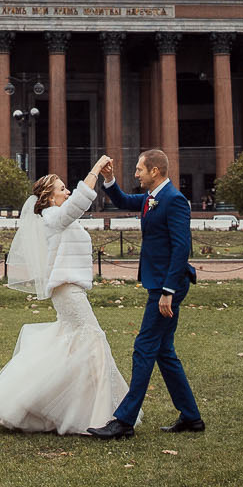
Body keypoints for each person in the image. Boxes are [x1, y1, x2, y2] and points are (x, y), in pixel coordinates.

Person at [0, 157, 126, 435]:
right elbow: (80, 202)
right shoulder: (52, 217)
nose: (67, 191)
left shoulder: (58, 219)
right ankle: (97, 415)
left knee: (74, 346)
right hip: (67, 290)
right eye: (62, 188)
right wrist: (94, 171)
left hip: (71, 289)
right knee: (92, 340)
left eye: (67, 188)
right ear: (50, 197)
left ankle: (72, 408)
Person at [88, 149, 202, 440]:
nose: (136, 174)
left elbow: (181, 248)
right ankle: (191, 417)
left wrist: (168, 291)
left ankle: (124, 421)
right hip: (160, 283)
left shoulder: (174, 201)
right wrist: (110, 180)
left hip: (168, 286)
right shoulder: (152, 199)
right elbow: (124, 201)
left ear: (155, 171)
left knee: (144, 348)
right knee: (164, 352)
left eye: (140, 169)